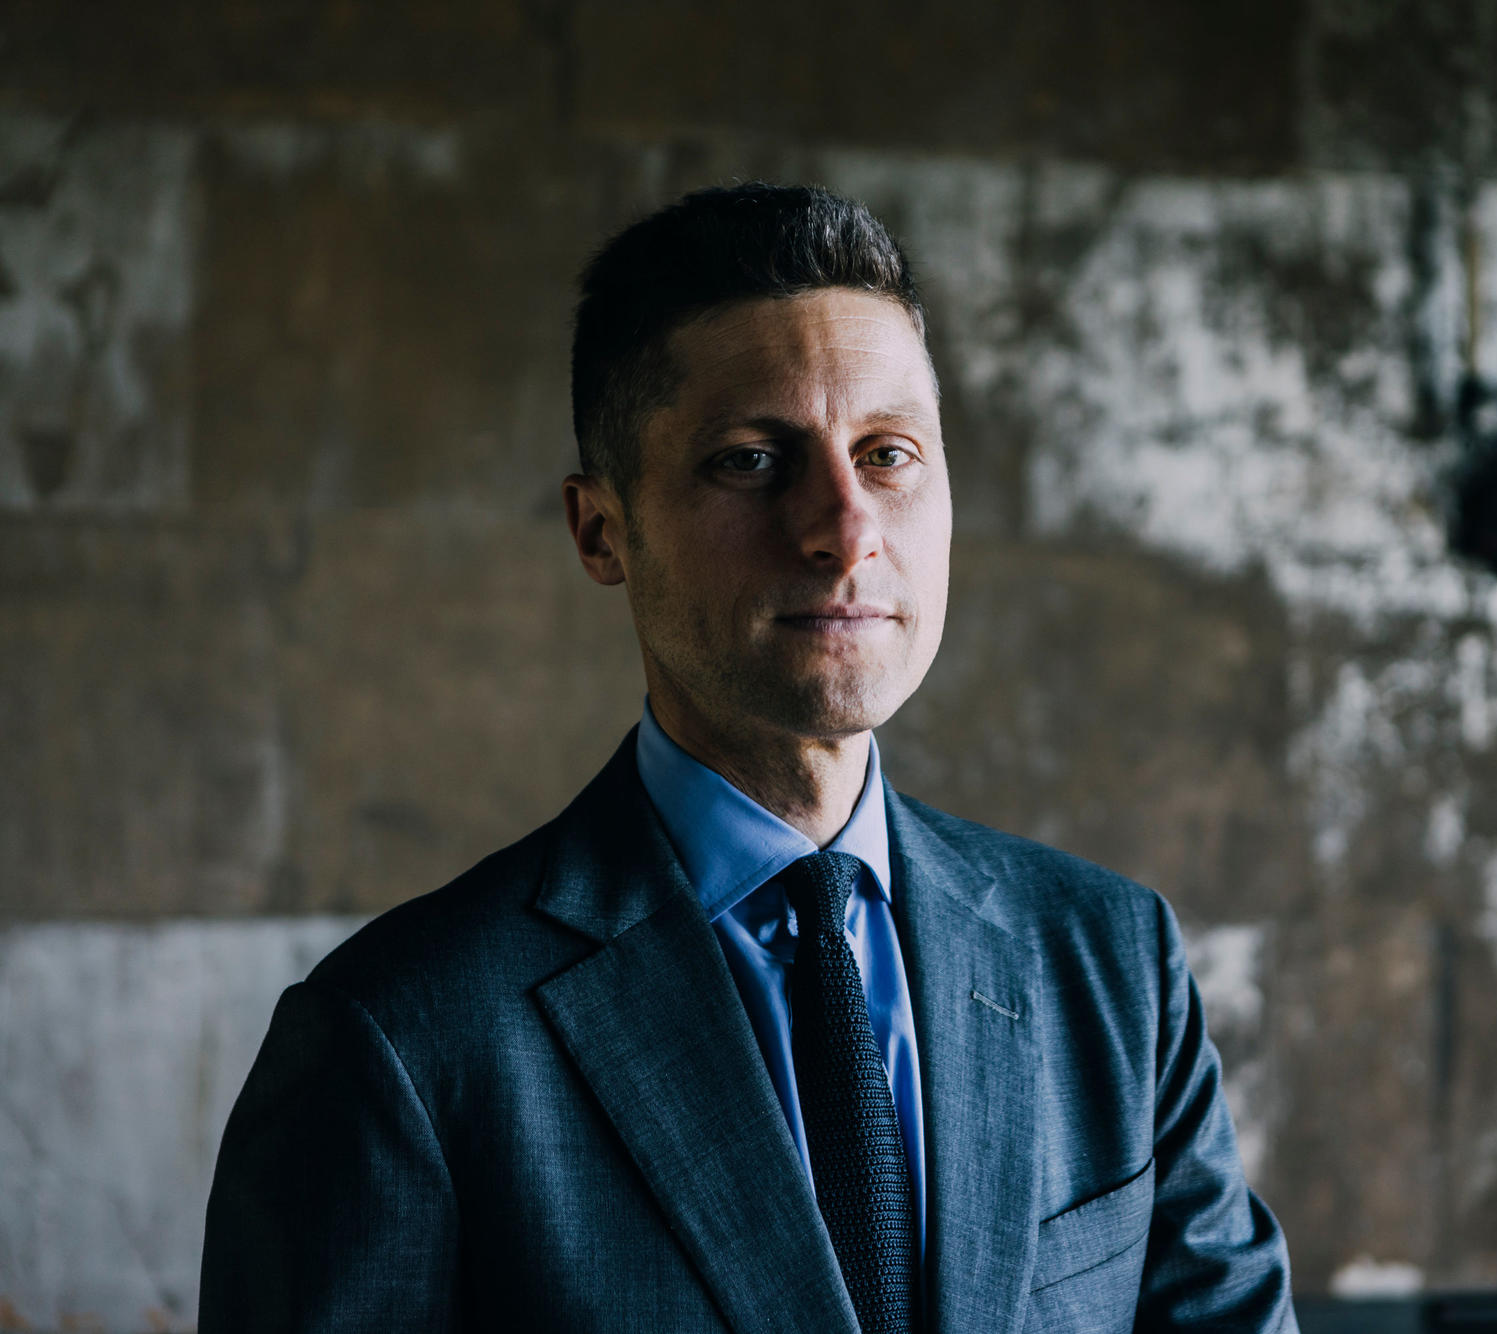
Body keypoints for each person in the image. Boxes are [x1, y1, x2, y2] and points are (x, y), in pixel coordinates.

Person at [199, 182, 1296, 1334]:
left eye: (886, 453)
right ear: (600, 530)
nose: (843, 526)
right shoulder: (403, 1038)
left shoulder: (1112, 963)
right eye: (750, 460)